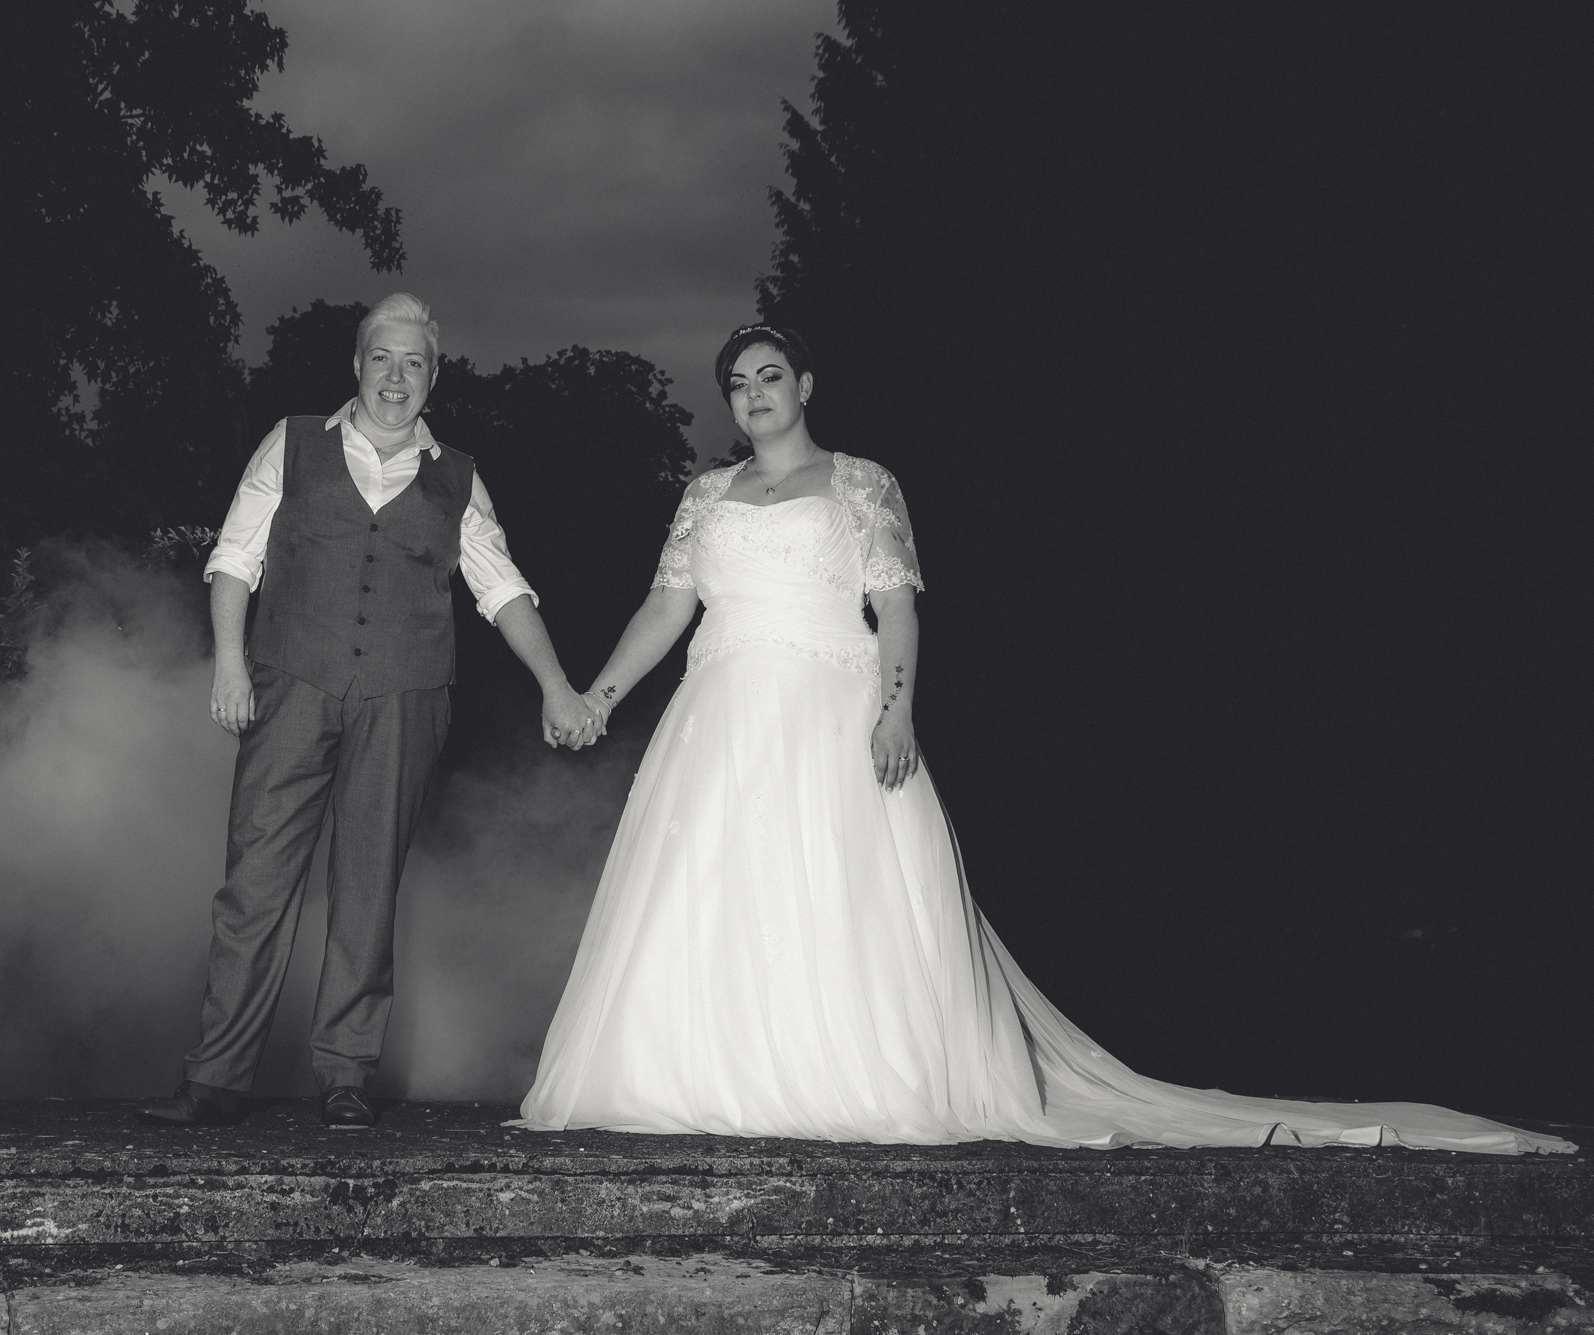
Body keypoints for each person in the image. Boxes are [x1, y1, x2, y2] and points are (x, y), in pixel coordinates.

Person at [513, 323, 1574, 1155]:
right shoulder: (705, 495)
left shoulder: (862, 482)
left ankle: (849, 1074)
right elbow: (664, 609)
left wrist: (895, 710)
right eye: (737, 384)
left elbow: (900, 612)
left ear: (804, 387)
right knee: (713, 890)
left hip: (831, 704)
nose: (752, 396)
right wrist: (599, 694)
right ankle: (699, 1073)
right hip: (719, 713)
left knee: (833, 887)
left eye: (769, 377)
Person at [139, 293, 600, 1131]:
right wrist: (231, 664)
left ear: (434, 376)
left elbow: (501, 588)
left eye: (413, 362)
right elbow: (234, 559)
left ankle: (346, 1069)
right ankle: (215, 1075)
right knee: (257, 880)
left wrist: (557, 684)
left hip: (406, 695)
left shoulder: (457, 473)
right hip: (289, 684)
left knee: (367, 886)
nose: (396, 377)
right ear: (356, 365)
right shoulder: (291, 443)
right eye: (382, 359)